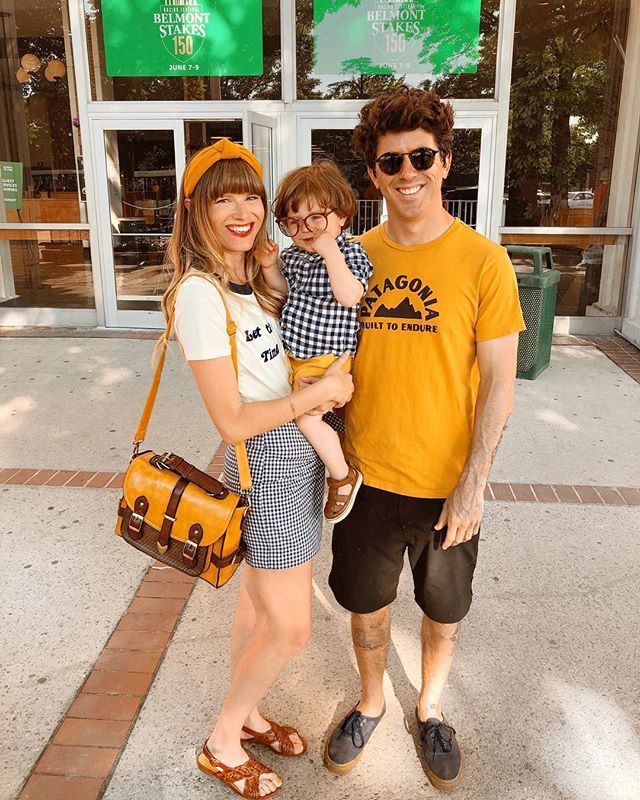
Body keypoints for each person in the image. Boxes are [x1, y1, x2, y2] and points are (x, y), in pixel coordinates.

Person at [324, 87, 525, 791]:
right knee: (367, 606)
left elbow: (501, 380)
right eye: (391, 161)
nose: (407, 171)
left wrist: (474, 481)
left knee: (443, 612)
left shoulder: (483, 261)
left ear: (444, 162)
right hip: (366, 478)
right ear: (372, 174)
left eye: (421, 156)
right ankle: (373, 701)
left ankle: (432, 710)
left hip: (447, 486)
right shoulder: (351, 257)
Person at [162, 138, 353, 800]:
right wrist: (316, 399)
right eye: (223, 198)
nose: (242, 210)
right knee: (292, 627)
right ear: (197, 212)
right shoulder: (197, 294)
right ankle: (220, 743)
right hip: (265, 459)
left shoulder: (255, 276)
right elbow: (233, 421)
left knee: (255, 604)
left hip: (298, 451)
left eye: (250, 194)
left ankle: (246, 714)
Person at [262, 161, 373, 522]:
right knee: (289, 413)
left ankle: (341, 476)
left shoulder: (351, 253)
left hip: (328, 360)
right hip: (294, 355)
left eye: (315, 219)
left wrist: (332, 254)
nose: (303, 230)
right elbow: (284, 292)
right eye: (292, 223)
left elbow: (349, 295)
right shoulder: (294, 257)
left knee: (306, 420)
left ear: (341, 216)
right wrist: (269, 268)